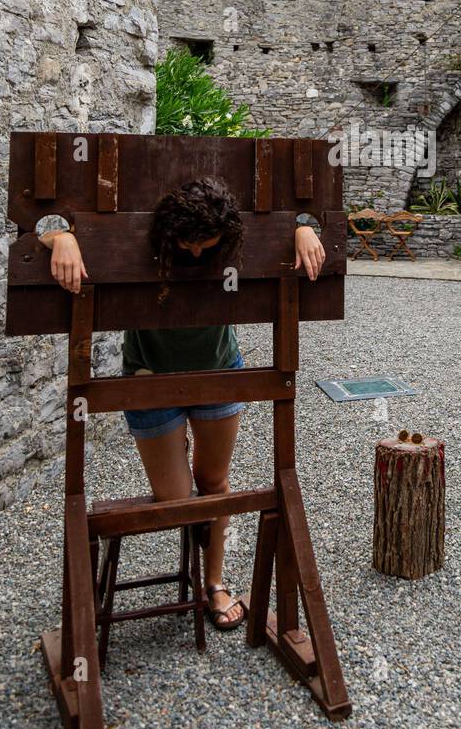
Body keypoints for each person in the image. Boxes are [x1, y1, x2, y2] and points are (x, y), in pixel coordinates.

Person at [35, 178, 326, 631]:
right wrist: (63, 236)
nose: (194, 256)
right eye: (185, 247)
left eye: (205, 248)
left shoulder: (230, 243)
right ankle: (186, 470)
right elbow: (37, 233)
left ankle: (214, 582)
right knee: (175, 500)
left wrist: (304, 229)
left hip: (219, 370)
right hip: (149, 376)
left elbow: (302, 221)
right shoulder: (150, 241)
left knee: (213, 484)